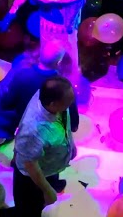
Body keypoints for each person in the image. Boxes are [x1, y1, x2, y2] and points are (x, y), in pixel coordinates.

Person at [11, 77, 77, 217]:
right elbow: (30, 164)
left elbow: (65, 120)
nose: (71, 104)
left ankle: (53, 183)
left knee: (52, 183)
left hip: (49, 166)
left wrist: (71, 144)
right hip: (32, 181)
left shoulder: (51, 100)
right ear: (53, 104)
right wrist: (47, 191)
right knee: (31, 210)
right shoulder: (32, 130)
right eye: (68, 102)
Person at [0, 43, 67, 147]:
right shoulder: (55, 83)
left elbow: (9, 98)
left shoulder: (23, 63)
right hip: (16, 117)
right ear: (58, 62)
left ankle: (2, 139)